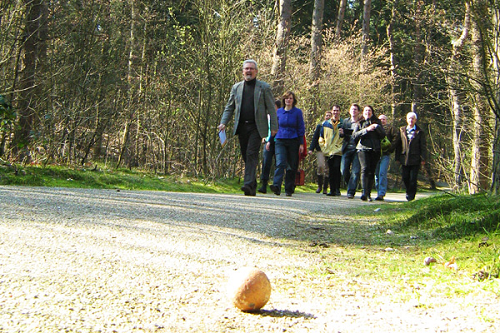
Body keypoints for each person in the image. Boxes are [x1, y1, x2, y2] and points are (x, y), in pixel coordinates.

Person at [218, 59, 278, 196]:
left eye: (251, 68)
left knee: (251, 153)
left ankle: (248, 183)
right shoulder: (236, 88)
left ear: (256, 71)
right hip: (241, 126)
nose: (249, 71)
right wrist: (223, 122)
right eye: (246, 69)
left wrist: (274, 127)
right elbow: (230, 107)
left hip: (257, 127)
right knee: (246, 155)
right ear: (243, 71)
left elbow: (271, 109)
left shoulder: (264, 87)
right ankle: (252, 186)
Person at [269, 91, 305, 197]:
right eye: (286, 98)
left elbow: (300, 128)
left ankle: (289, 188)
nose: (288, 100)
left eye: (290, 98)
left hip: (293, 140)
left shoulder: (297, 112)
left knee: (292, 165)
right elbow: (274, 127)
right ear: (284, 100)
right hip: (280, 140)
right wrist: (269, 141)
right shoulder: (279, 112)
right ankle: (276, 186)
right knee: (280, 163)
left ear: (293, 100)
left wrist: (301, 144)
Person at [352, 105, 386, 201]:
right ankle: (364, 192)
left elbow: (383, 135)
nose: (368, 112)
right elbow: (354, 135)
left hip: (375, 149)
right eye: (366, 111)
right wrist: (366, 130)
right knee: (364, 169)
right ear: (363, 112)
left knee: (372, 171)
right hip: (362, 149)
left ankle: (369, 193)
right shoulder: (360, 123)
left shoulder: (377, 123)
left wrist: (376, 127)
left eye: (369, 111)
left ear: (372, 112)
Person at [394, 112, 427, 201]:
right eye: (409, 118)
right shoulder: (402, 130)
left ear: (415, 120)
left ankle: (411, 195)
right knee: (405, 177)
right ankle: (408, 191)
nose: (411, 120)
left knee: (413, 178)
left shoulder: (420, 132)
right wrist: (397, 157)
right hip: (404, 158)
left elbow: (423, 146)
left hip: (415, 159)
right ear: (406, 119)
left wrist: (423, 158)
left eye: (412, 118)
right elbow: (398, 145)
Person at [319, 105, 343, 196]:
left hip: (338, 151)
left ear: (340, 112)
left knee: (337, 169)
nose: (335, 112)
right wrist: (324, 148)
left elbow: (346, 137)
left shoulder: (343, 123)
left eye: (337, 110)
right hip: (328, 150)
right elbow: (321, 137)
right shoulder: (325, 124)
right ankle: (332, 189)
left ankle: (337, 188)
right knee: (331, 170)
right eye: (334, 110)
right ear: (331, 111)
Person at [258, 100, 281, 194]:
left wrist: (271, 140)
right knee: (266, 162)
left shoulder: (280, 117)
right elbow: (265, 128)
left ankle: (277, 184)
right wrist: (263, 137)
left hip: (278, 142)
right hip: (268, 141)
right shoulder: (268, 117)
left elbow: (276, 130)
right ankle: (264, 184)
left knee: (278, 163)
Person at [339, 104, 361, 199]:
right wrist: (342, 133)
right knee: (343, 169)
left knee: (355, 171)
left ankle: (351, 192)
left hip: (358, 149)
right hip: (347, 148)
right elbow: (342, 135)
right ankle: (351, 185)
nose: (354, 111)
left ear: (358, 111)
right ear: (349, 111)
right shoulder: (345, 121)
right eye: (352, 109)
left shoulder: (362, 122)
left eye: (355, 109)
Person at [308, 110, 332, 194]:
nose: (328, 117)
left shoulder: (333, 126)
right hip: (320, 149)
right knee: (320, 166)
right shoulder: (320, 126)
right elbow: (315, 138)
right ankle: (319, 186)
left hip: (329, 150)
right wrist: (311, 149)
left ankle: (325, 188)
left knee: (327, 169)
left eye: (330, 116)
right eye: (327, 115)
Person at [374, 114, 396, 201]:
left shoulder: (390, 129)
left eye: (384, 119)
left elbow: (396, 138)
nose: (382, 121)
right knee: (376, 174)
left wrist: (390, 148)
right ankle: (378, 190)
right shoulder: (375, 128)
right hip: (376, 154)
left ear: (386, 120)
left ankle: (381, 193)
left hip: (385, 154)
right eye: (380, 119)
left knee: (382, 173)